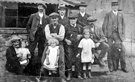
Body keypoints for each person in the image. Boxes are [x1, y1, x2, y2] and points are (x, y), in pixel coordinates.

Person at [102, 1, 128, 73]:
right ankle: (111, 67)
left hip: (118, 35)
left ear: (118, 7)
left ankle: (123, 67)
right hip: (110, 35)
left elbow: (123, 25)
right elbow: (104, 26)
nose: (115, 7)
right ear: (112, 7)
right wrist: (106, 35)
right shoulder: (108, 15)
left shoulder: (121, 14)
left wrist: (123, 35)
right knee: (110, 51)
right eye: (113, 6)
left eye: (116, 6)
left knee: (122, 51)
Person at [26, 3, 49, 75]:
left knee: (41, 51)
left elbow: (48, 27)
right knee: (30, 50)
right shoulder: (33, 16)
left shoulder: (47, 17)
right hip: (34, 35)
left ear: (44, 8)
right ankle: (28, 67)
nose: (40, 8)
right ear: (37, 7)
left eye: (42, 7)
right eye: (39, 7)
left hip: (42, 36)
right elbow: (28, 26)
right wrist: (30, 33)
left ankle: (39, 68)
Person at [44, 12, 66, 82]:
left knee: (61, 60)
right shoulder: (47, 26)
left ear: (58, 18)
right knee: (44, 59)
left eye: (55, 18)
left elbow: (62, 37)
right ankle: (46, 76)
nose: (54, 20)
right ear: (50, 19)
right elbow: (47, 37)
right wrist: (57, 35)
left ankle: (62, 77)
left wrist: (53, 35)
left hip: (59, 45)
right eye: (52, 18)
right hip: (49, 45)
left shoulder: (61, 26)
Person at [64, 14, 83, 80]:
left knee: (78, 59)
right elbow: (63, 37)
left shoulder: (80, 27)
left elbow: (84, 35)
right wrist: (66, 40)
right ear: (69, 20)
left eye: (74, 19)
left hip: (78, 46)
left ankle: (78, 74)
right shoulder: (66, 27)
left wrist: (80, 35)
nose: (72, 21)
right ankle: (69, 74)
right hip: (69, 46)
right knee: (69, 58)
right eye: (71, 19)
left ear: (76, 20)